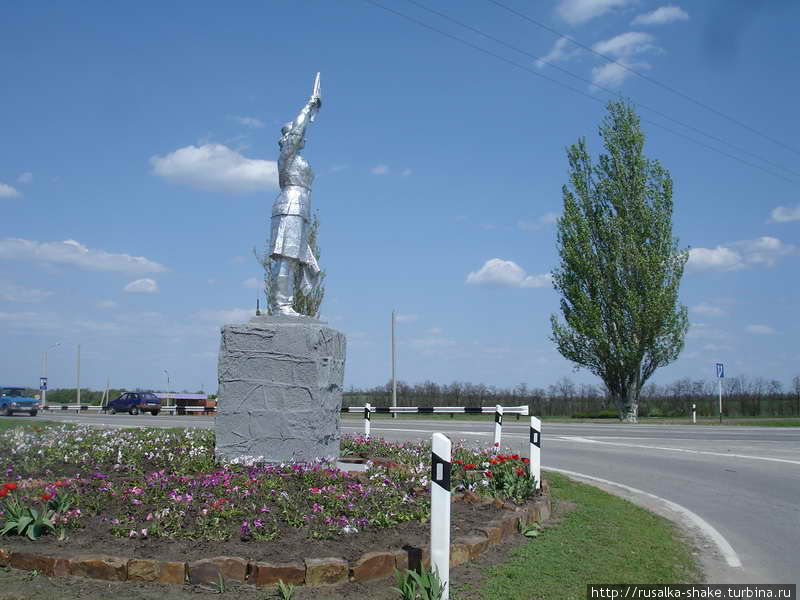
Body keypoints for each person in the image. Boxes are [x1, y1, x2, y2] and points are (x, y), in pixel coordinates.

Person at [269, 75, 322, 316]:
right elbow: (298, 132)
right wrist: (308, 107)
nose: (303, 139)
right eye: (297, 136)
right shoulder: (286, 157)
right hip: (289, 206)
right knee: (286, 258)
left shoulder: (300, 160)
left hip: (301, 210)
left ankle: (287, 304)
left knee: (296, 261)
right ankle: (281, 306)